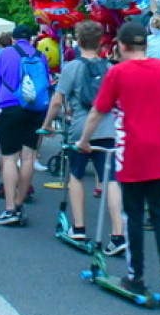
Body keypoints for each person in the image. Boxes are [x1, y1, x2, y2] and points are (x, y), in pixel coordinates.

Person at [77, 21, 160, 306]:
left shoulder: (118, 72)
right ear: (145, 45)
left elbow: (99, 111)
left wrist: (84, 140)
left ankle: (136, 276)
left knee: (132, 215)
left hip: (133, 152)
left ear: (121, 46)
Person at [41, 20, 125, 254]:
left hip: (80, 129)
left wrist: (47, 125)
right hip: (107, 129)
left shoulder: (71, 68)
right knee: (110, 181)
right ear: (100, 42)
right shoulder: (110, 68)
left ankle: (78, 227)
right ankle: (118, 234)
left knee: (76, 176)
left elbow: (58, 100)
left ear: (78, 41)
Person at [0, 24, 51, 226]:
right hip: (34, 110)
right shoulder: (41, 56)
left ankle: (9, 208)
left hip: (9, 107)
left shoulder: (4, 53)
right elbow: (46, 85)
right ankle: (20, 202)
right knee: (28, 157)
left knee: (8, 159)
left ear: (14, 39)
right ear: (31, 38)